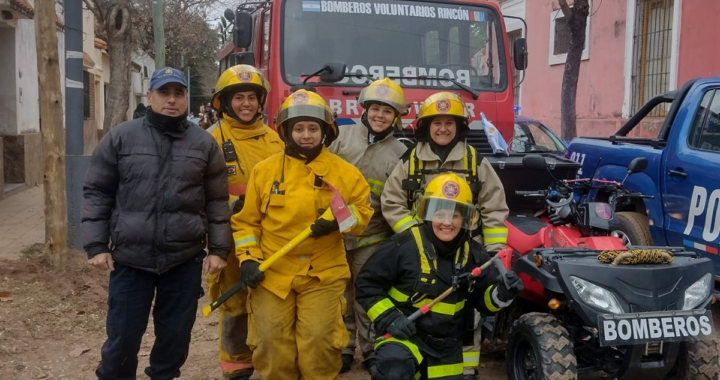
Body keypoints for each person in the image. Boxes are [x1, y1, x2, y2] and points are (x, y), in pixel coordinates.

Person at [82, 67, 232, 380]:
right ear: (150, 96)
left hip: (184, 259)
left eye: (179, 94)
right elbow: (97, 190)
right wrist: (96, 244)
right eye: (164, 93)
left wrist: (218, 248)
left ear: (187, 99)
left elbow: (216, 201)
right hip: (131, 259)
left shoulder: (204, 144)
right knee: (122, 339)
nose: (172, 100)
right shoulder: (121, 137)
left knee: (175, 338)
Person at [232, 89, 374, 379]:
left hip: (323, 274)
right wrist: (247, 259)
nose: (306, 135)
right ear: (286, 131)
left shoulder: (345, 173)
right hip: (272, 273)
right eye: (298, 128)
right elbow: (246, 223)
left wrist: (338, 222)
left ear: (325, 132)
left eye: (313, 128)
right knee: (271, 344)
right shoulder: (264, 172)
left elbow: (363, 213)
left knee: (319, 344)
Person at [381, 91, 509, 377]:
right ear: (425, 126)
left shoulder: (476, 162)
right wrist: (415, 237)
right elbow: (391, 202)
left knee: (468, 313)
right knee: (426, 306)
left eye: (449, 123)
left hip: (466, 250)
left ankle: (466, 370)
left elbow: (494, 205)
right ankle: (422, 362)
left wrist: (493, 248)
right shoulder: (411, 161)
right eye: (436, 123)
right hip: (422, 253)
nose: (442, 129)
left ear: (459, 126)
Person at [357, 173, 523, 380]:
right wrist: (391, 318)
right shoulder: (403, 246)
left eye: (454, 215)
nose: (446, 222)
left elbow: (485, 302)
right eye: (440, 214)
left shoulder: (475, 254)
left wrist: (503, 292)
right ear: (428, 214)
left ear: (466, 218)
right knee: (394, 371)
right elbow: (366, 286)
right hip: (403, 337)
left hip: (446, 348)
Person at [205, 64, 284, 380]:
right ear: (223, 102)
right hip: (229, 238)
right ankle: (237, 365)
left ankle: (268, 361)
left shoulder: (276, 141)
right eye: (238, 97)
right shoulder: (209, 141)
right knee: (234, 302)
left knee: (268, 302)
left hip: (270, 238)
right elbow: (198, 193)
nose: (246, 104)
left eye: (252, 97)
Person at [327, 78, 409, 374]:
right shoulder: (340, 138)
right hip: (333, 236)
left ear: (396, 117)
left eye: (387, 111)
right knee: (339, 295)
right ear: (365, 109)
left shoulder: (401, 153)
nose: (380, 116)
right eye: (376, 108)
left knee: (367, 295)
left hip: (372, 238)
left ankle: (372, 349)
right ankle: (343, 347)